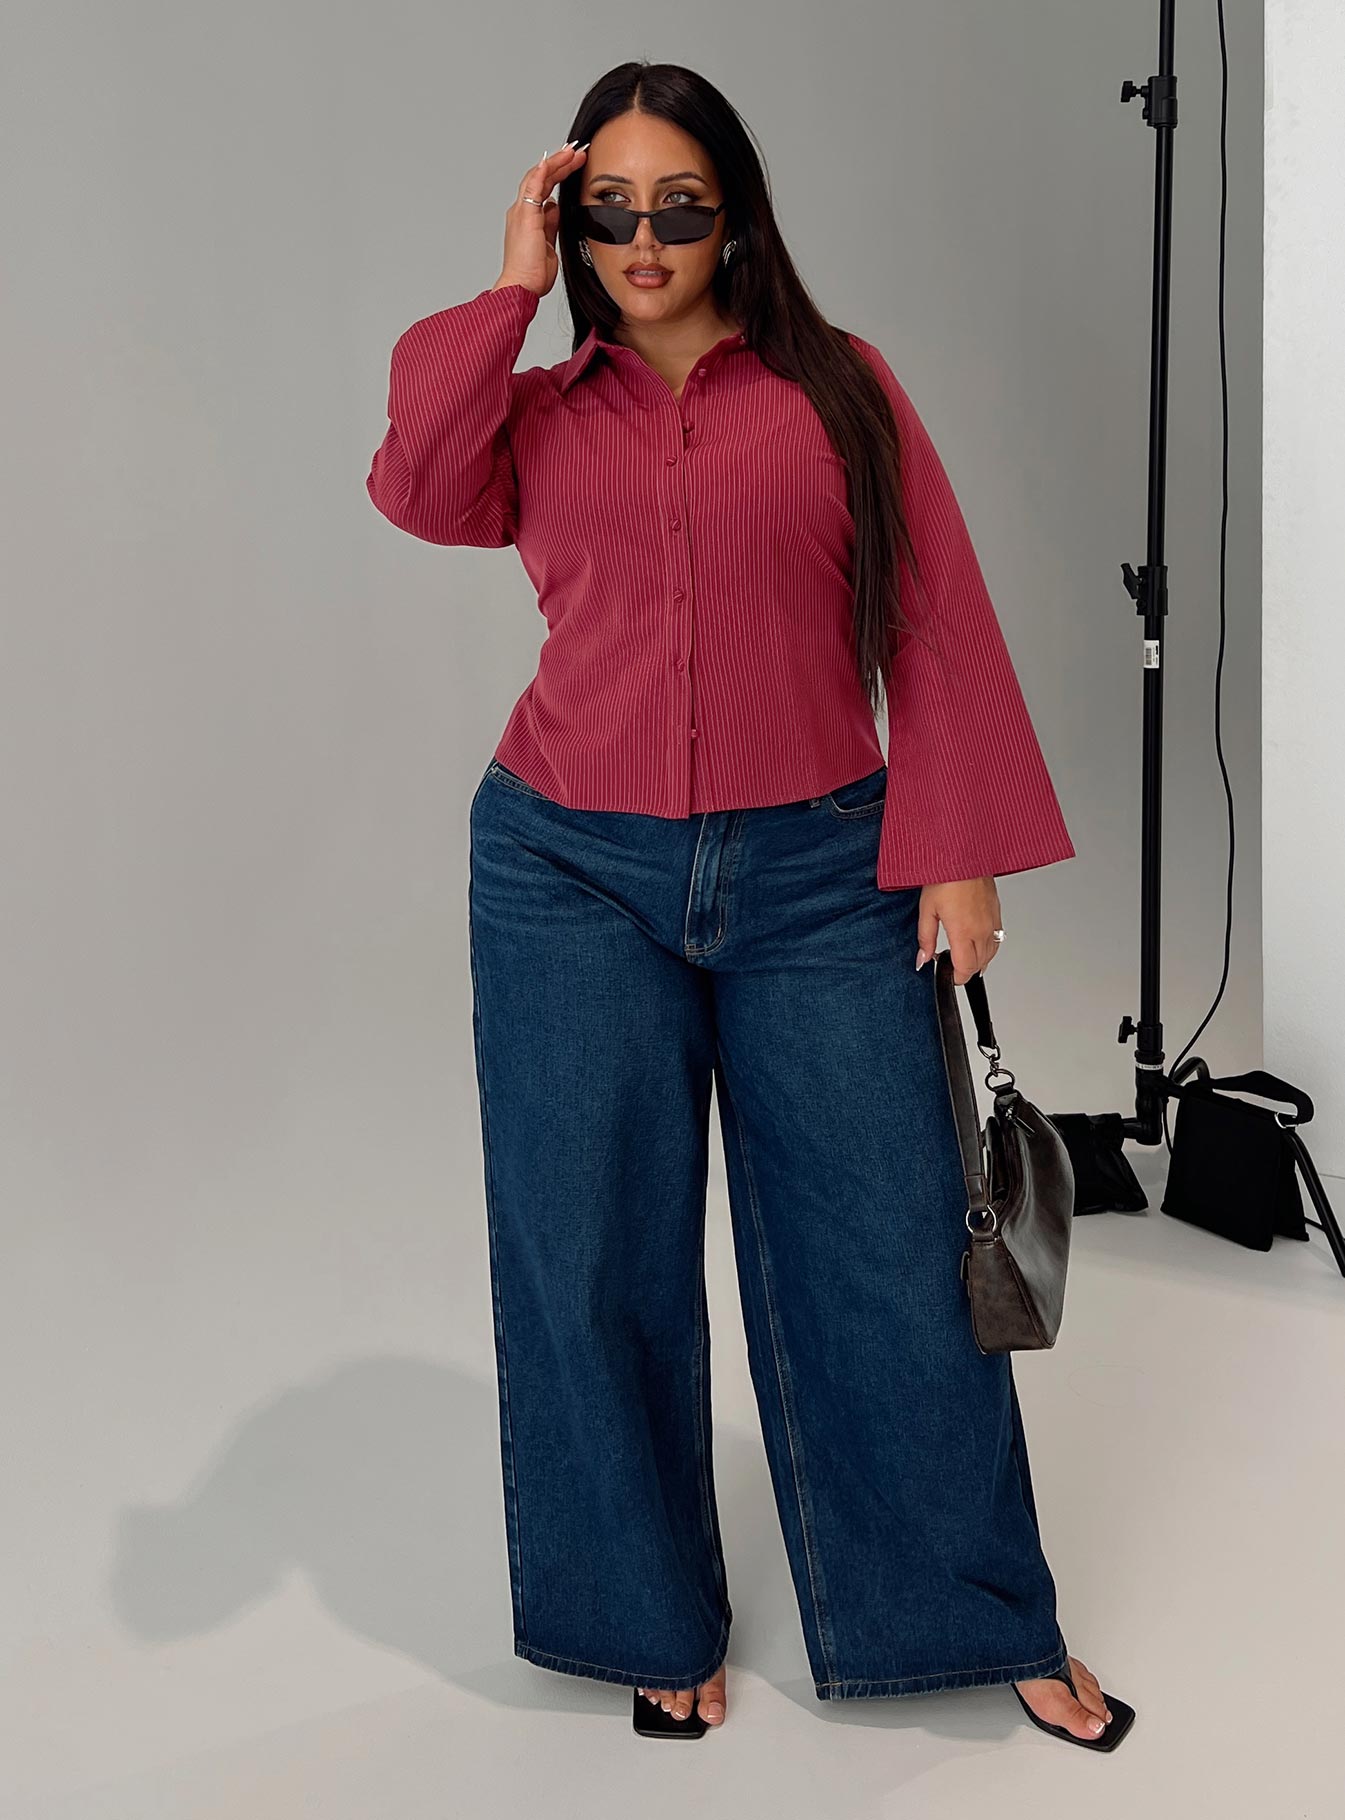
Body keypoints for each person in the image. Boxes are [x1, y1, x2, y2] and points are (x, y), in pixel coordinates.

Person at [366, 60, 1133, 1749]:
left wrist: (960, 841)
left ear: (737, 211)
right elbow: (414, 486)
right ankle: (643, 1610)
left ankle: (973, 1612)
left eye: (679, 204)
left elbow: (927, 609)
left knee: (885, 1254)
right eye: (608, 210)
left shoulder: (839, 389)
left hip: (819, 872)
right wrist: (505, 289)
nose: (645, 239)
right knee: (590, 1257)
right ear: (575, 219)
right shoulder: (533, 410)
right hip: (568, 867)